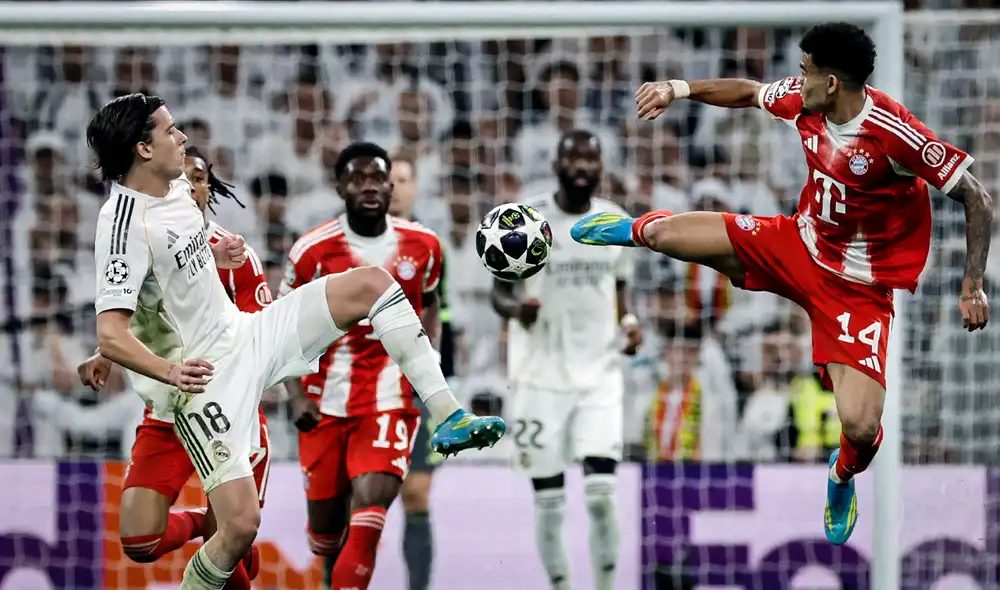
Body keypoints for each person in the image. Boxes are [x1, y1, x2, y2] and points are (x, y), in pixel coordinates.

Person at [570, 23, 993, 546]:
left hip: (858, 289)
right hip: (796, 244)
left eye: (806, 69)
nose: (797, 78)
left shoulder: (895, 134)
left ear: (832, 82)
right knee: (662, 232)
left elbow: (977, 196)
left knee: (861, 428)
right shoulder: (805, 101)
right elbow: (748, 92)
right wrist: (678, 89)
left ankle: (840, 477)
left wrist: (972, 283)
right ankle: (633, 230)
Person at [86, 94, 505, 590]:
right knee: (238, 528)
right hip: (200, 383)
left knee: (372, 283)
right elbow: (112, 331)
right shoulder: (122, 226)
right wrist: (165, 368)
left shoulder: (176, 184)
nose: (181, 138)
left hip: (246, 334)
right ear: (143, 149)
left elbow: (171, 267)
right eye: (170, 131)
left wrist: (217, 250)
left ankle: (450, 415)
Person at [78, 147, 271, 590]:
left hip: (226, 417)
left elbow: (259, 337)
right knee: (140, 542)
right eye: (183, 177)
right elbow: (138, 314)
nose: (191, 185)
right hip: (166, 415)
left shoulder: (236, 254)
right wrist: (104, 353)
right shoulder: (143, 238)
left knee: (227, 542)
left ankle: (218, 527)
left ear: (208, 187)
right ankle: (207, 521)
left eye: (200, 177)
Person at [285, 143, 449, 590]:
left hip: (391, 397)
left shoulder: (425, 245)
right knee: (327, 529)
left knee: (380, 503)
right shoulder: (312, 251)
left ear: (392, 186)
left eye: (378, 178)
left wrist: (424, 360)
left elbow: (431, 302)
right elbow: (282, 327)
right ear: (340, 187)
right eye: (358, 179)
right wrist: (295, 391)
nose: (370, 187)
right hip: (325, 401)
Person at [491, 129, 643, 590]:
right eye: (572, 158)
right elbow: (499, 291)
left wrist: (630, 322)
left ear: (600, 169)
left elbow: (620, 290)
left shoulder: (615, 220)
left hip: (600, 376)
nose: (580, 167)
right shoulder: (527, 219)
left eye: (589, 160)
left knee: (601, 497)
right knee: (550, 501)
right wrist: (518, 309)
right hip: (539, 377)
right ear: (556, 164)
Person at [388, 153, 443, 590]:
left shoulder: (426, 243)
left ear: (415, 188)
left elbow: (438, 313)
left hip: (414, 383)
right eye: (389, 178)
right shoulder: (356, 240)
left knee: (417, 492)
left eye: (403, 179)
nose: (395, 186)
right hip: (363, 382)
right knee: (354, 497)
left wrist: (430, 374)